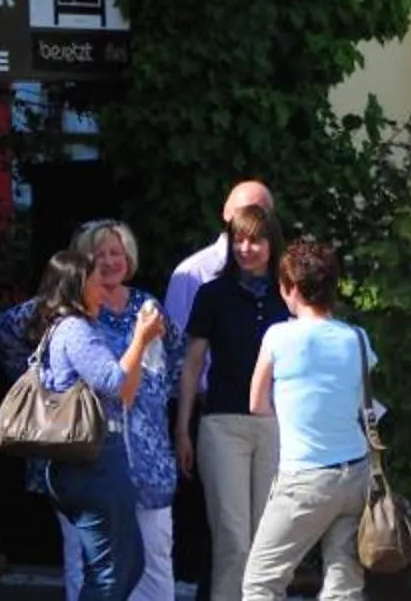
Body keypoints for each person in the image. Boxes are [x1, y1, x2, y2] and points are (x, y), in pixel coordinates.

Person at [0, 221, 185, 601]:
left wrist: (158, 399)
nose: (108, 262)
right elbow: (0, 333)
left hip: (144, 457)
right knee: (97, 569)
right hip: (86, 453)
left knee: (145, 563)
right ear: (81, 270)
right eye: (98, 256)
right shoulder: (69, 320)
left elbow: (176, 355)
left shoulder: (146, 305)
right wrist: (43, 384)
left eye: (116, 252)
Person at [21, 249, 169, 601]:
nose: (103, 291)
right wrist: (139, 338)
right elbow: (113, 382)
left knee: (128, 566)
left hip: (98, 462)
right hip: (91, 464)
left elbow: (125, 394)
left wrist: (143, 344)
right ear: (78, 286)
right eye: (96, 282)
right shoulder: (74, 329)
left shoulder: (72, 328)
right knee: (107, 576)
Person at [241, 238, 377, 601]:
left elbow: (257, 403)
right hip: (356, 473)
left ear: (291, 289)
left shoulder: (278, 336)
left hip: (304, 477)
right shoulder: (357, 338)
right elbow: (361, 402)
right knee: (344, 585)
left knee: (261, 582)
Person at [178, 200, 293, 601]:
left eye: (255, 240)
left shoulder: (287, 295)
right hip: (222, 422)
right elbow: (192, 366)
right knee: (233, 538)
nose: (245, 248)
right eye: (238, 240)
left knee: (269, 539)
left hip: (276, 425)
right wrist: (183, 430)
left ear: (272, 244)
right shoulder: (213, 293)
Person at [167, 178, 278, 334]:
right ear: (226, 214)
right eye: (245, 213)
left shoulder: (284, 277)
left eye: (261, 214)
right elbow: (175, 337)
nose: (252, 222)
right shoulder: (192, 272)